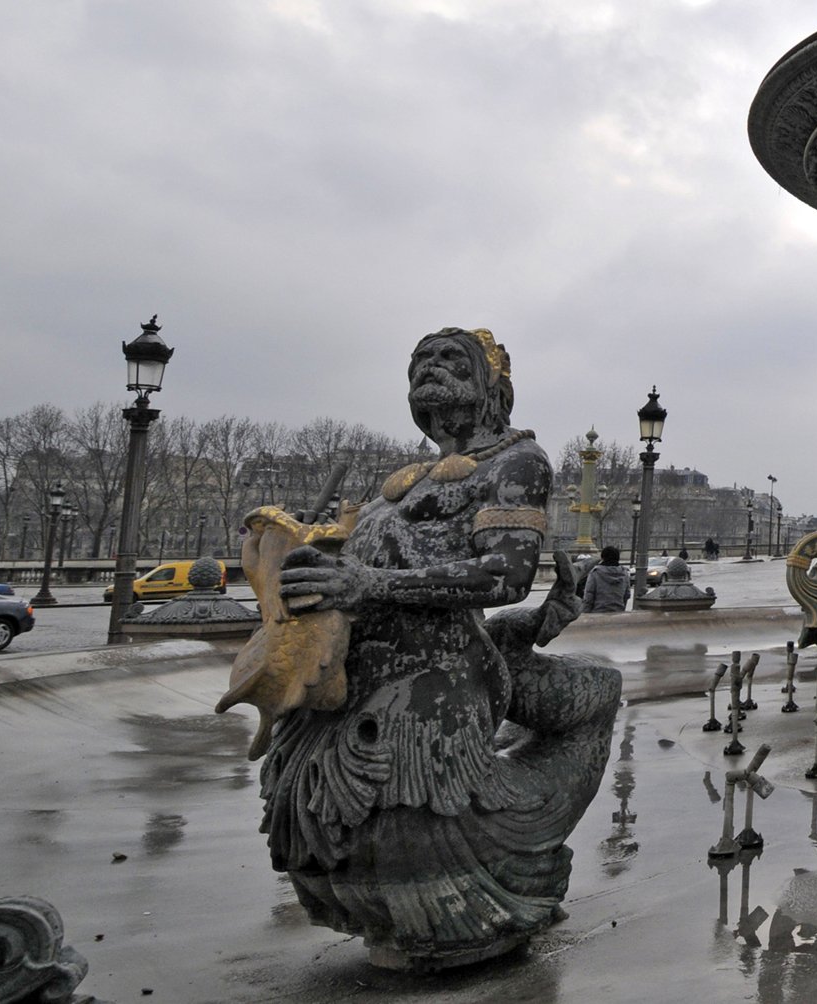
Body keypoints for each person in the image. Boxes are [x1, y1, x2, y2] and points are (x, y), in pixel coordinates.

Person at [263, 328, 621, 969]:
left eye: (452, 360)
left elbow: (502, 575)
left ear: (494, 390)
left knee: (599, 686)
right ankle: (506, 866)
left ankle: (502, 871)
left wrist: (366, 582)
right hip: (373, 685)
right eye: (420, 362)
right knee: (599, 689)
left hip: (433, 681)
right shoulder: (398, 483)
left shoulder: (518, 462)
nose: (430, 370)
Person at [582, 545, 631, 613]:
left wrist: (585, 614)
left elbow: (588, 596)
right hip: (618, 613)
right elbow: (627, 595)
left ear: (602, 557)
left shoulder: (595, 573)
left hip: (597, 613)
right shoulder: (624, 573)